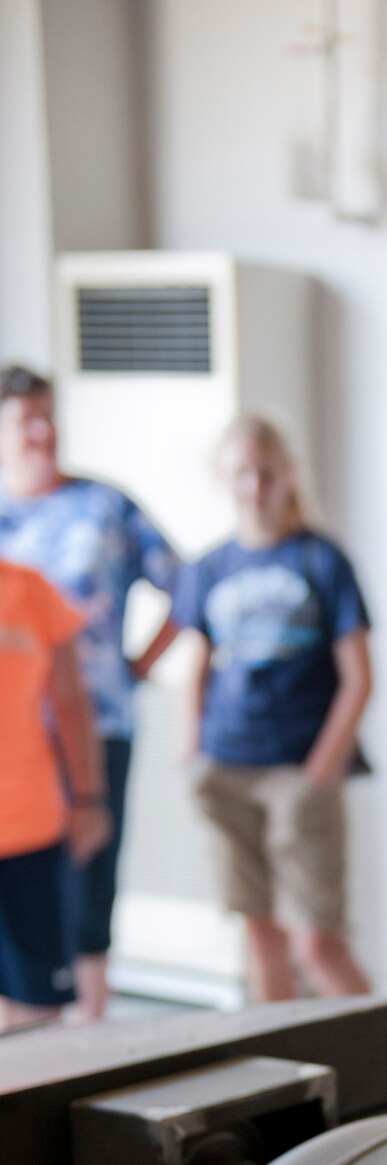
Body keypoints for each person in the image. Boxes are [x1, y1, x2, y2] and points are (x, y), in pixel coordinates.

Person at [173, 414, 373, 1003]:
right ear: (223, 478)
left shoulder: (321, 561)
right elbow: (199, 663)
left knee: (318, 945)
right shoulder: (210, 568)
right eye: (241, 474)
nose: (254, 487)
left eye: (265, 472)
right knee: (261, 935)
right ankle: (286, 1082)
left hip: (297, 772)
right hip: (228, 766)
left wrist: (321, 770)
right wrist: (192, 747)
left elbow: (359, 677)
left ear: (286, 474)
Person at [0, 363, 179, 1021]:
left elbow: (182, 586)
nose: (43, 432)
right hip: (16, 737)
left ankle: (92, 1031)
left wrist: (136, 663)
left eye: (51, 416)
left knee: (87, 886)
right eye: (26, 420)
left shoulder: (105, 507)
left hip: (95, 718)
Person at [0, 554, 110, 1032]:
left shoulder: (30, 588)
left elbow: (70, 701)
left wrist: (89, 797)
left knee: (37, 1008)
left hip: (28, 830)